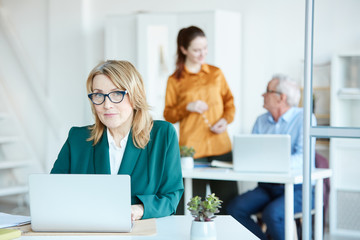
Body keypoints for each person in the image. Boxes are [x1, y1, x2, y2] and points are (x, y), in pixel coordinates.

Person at [51, 60, 184, 221]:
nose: (107, 105)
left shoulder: (162, 135)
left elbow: (171, 196)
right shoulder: (78, 138)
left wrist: (140, 209)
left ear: (134, 96)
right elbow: (54, 193)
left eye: (116, 94)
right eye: (98, 95)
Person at [226, 74, 316, 240]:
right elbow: (252, 155)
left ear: (281, 97)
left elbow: (303, 158)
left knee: (272, 214)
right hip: (267, 187)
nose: (263, 95)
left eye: (267, 91)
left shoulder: (305, 119)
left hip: (298, 189)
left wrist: (268, 164)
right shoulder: (261, 121)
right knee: (234, 209)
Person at [163, 26, 238, 214]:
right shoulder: (175, 80)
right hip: (192, 152)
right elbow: (168, 115)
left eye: (205, 48)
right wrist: (186, 107)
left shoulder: (216, 74)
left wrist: (225, 120)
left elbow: (229, 102)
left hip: (221, 147)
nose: (202, 53)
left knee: (229, 206)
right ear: (183, 49)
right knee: (192, 207)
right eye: (197, 49)